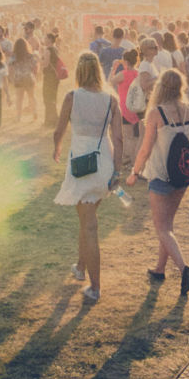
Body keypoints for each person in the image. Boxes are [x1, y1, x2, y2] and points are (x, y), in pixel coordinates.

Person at [52, 51, 122, 303]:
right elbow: (119, 138)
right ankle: (81, 267)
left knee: (89, 224)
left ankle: (95, 287)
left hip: (82, 164)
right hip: (103, 162)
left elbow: (58, 130)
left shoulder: (72, 97)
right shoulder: (111, 99)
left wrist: (57, 147)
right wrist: (116, 170)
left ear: (80, 72)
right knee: (87, 217)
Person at [127, 69, 189, 294]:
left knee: (161, 227)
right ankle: (159, 268)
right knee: (168, 225)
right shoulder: (188, 108)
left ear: (161, 88)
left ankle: (184, 268)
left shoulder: (156, 112)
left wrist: (134, 172)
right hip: (182, 173)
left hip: (160, 173)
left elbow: (145, 148)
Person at [8, 37, 38, 124]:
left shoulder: (14, 56)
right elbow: (35, 66)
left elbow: (10, 68)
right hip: (29, 77)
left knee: (19, 99)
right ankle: (34, 112)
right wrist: (34, 74)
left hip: (18, 78)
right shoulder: (30, 56)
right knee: (31, 96)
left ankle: (18, 117)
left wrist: (11, 78)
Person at [42, 32, 64, 125]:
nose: (44, 39)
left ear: (50, 39)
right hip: (55, 77)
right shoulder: (55, 49)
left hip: (49, 77)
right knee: (53, 98)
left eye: (45, 38)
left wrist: (38, 58)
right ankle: (54, 119)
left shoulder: (48, 50)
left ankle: (49, 120)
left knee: (47, 98)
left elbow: (45, 64)